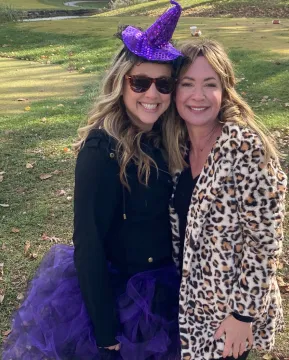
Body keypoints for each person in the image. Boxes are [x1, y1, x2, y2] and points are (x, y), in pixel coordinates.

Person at [3, 1, 184, 359]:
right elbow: (88, 243)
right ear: (121, 82)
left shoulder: (168, 136)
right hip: (123, 298)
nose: (152, 94)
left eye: (163, 84)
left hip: (170, 285)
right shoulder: (103, 150)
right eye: (141, 82)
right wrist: (105, 329)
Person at [171, 39, 287, 360]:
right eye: (187, 84)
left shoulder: (245, 148)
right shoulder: (174, 144)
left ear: (225, 90)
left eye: (210, 84)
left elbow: (265, 243)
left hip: (228, 318)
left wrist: (244, 315)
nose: (198, 96)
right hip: (184, 306)